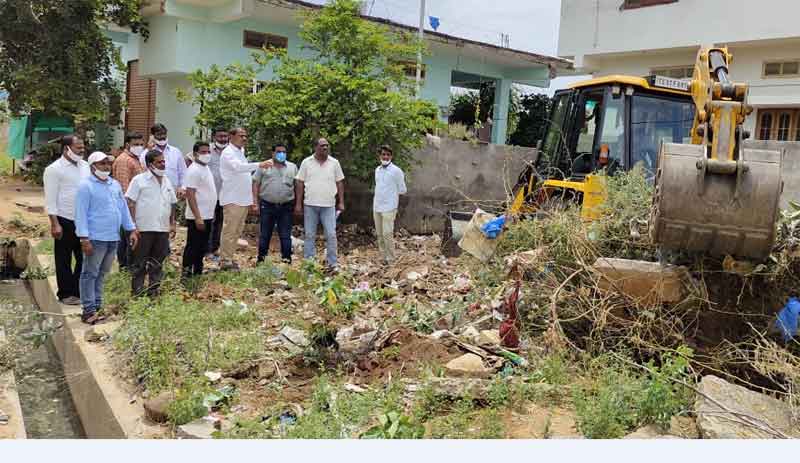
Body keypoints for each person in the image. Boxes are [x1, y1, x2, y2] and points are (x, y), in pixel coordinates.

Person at [74, 152, 138, 324]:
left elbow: (123, 209)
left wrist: (131, 229)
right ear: (93, 166)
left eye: (108, 163)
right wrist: (84, 238)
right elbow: (81, 214)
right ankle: (88, 310)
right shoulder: (85, 186)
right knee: (89, 273)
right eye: (102, 163)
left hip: (113, 237)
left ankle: (98, 305)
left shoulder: (114, 184)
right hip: (95, 237)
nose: (106, 166)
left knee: (102, 273)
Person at [43, 134, 91, 305]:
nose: (82, 150)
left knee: (83, 257)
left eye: (83, 147)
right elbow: (50, 199)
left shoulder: (86, 166)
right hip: (64, 218)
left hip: (84, 219)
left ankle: (78, 291)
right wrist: (54, 223)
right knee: (63, 258)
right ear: (66, 149)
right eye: (78, 148)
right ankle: (65, 293)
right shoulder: (54, 169)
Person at [125, 150, 178, 297]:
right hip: (143, 229)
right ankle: (137, 293)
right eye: (159, 162)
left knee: (157, 262)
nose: (162, 164)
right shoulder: (139, 180)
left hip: (162, 229)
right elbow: (130, 202)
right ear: (150, 165)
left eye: (164, 162)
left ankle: (154, 292)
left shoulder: (167, 180)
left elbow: (173, 203)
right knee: (139, 263)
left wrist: (172, 223)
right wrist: (132, 227)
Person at [218, 127, 272, 270]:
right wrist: (259, 164)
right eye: (241, 136)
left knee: (237, 230)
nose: (244, 138)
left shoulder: (240, 151)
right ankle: (224, 260)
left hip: (242, 198)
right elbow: (238, 168)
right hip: (232, 198)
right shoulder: (228, 152)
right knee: (230, 230)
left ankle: (229, 257)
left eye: (246, 136)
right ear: (231, 136)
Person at [295, 138, 345, 270]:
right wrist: (298, 204)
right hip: (310, 205)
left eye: (327, 146)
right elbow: (300, 182)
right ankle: (309, 263)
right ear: (315, 147)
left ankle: (332, 263)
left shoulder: (334, 163)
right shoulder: (306, 162)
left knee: (331, 234)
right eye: (322, 146)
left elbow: (339, 182)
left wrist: (341, 202)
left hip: (329, 206)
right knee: (310, 235)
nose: (325, 148)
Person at [253, 143, 297, 263]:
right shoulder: (264, 166)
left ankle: (286, 260)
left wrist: (298, 204)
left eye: (284, 152)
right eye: (278, 152)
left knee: (285, 235)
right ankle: (261, 260)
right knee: (265, 234)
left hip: (286, 206)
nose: (281, 154)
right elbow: (256, 184)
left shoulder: (292, 167)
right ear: (273, 153)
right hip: (267, 205)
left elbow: (297, 185)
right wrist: (255, 203)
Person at [182, 142, 217, 278]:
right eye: (203, 152)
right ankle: (186, 275)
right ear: (195, 153)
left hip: (207, 215)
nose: (207, 154)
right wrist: (198, 217)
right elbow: (190, 194)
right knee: (193, 247)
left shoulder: (205, 168)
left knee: (202, 247)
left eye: (208, 152)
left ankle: (197, 273)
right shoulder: (194, 170)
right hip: (197, 217)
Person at [111, 131, 145, 269]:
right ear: (127, 145)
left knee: (127, 241)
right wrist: (129, 214)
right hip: (127, 208)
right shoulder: (124, 161)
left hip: (134, 207)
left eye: (141, 144)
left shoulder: (135, 159)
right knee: (129, 240)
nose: (139, 147)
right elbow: (123, 189)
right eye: (136, 144)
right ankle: (126, 268)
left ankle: (127, 267)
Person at [372, 145, 406, 264]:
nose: (385, 157)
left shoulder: (396, 171)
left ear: (391, 156)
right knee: (380, 234)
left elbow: (402, 190)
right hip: (377, 206)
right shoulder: (377, 170)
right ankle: (384, 258)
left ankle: (391, 259)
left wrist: (392, 198)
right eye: (383, 154)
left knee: (387, 233)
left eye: (387, 155)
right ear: (379, 156)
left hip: (389, 208)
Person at [142, 123, 187, 195]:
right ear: (152, 136)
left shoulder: (176, 152)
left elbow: (183, 172)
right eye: (159, 134)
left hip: (174, 194)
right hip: (153, 194)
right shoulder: (147, 152)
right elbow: (143, 167)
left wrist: (182, 187)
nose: (162, 137)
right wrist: (149, 149)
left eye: (164, 134)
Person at [206, 127, 228, 260]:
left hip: (225, 194)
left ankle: (215, 248)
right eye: (220, 136)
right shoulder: (207, 149)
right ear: (214, 137)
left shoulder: (231, 151)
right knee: (209, 222)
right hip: (209, 193)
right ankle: (206, 249)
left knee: (220, 222)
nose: (223, 139)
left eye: (225, 136)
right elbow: (189, 159)